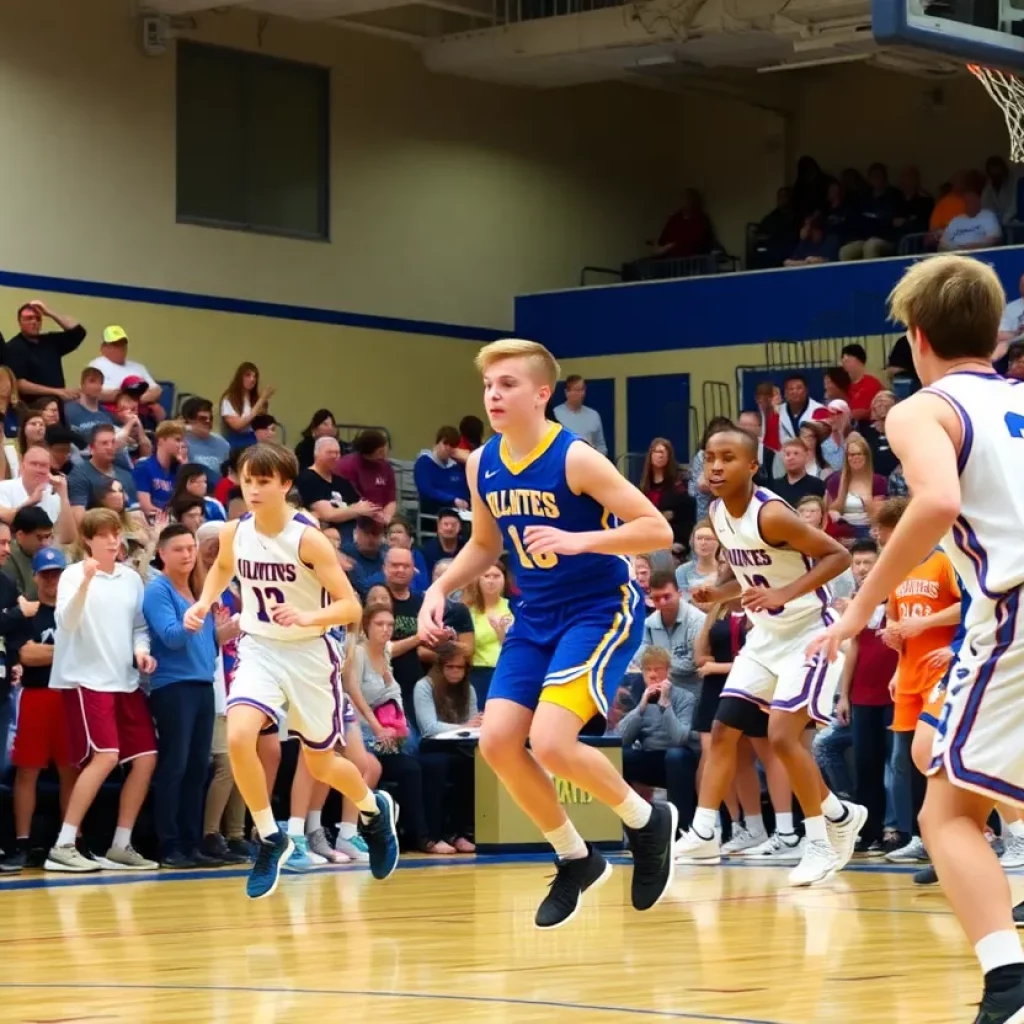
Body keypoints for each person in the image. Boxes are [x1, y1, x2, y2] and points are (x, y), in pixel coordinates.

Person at [807, 253, 1024, 1023]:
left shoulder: (920, 409)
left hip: (1014, 608)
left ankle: (1009, 989)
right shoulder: (1019, 401)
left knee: (946, 814)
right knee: (953, 768)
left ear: (918, 338)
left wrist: (861, 607)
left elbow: (933, 500)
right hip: (997, 617)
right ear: (996, 337)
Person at [419, 338, 675, 930]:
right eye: (488, 386)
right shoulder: (482, 461)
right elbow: (485, 544)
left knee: (554, 742)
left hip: (598, 607)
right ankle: (575, 857)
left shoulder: (576, 458)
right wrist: (438, 589)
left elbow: (656, 527)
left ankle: (644, 819)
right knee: (498, 743)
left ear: (542, 394)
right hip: (537, 612)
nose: (493, 395)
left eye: (507, 384)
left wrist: (581, 539)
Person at [183, 443, 399, 899]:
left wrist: (307, 618)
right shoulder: (235, 531)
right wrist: (203, 603)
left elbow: (351, 607)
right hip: (260, 646)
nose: (254, 489)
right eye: (248, 481)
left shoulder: (308, 539)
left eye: (264, 481)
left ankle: (372, 809)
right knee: (240, 736)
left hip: (309, 654)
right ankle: (270, 836)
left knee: (321, 763)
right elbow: (223, 568)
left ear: (285, 485)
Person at [672, 426, 865, 886]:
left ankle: (819, 839)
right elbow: (749, 577)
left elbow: (836, 556)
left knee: (782, 737)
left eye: (728, 458)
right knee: (722, 729)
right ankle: (703, 830)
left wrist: (783, 593)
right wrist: (716, 592)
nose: (716, 466)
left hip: (808, 633)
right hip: (765, 638)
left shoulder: (772, 514)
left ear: (753, 466)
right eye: (710, 457)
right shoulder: (718, 513)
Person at [46, 509, 160, 872]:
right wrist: (85, 585)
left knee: (145, 758)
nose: (114, 540)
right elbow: (65, 622)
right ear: (88, 541)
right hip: (85, 680)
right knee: (106, 755)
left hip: (125, 682)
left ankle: (121, 845)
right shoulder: (72, 575)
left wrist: (141, 652)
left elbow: (139, 627)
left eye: (117, 533)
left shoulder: (130, 579)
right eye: (106, 534)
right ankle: (63, 846)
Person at [143, 524, 221, 868]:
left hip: (202, 684)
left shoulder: (196, 589)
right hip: (173, 686)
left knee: (197, 767)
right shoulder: (157, 590)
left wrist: (222, 634)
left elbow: (206, 648)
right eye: (179, 549)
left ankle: (192, 842)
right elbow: (172, 638)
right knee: (175, 766)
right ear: (162, 554)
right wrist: (195, 619)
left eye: (191, 548)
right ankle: (170, 844)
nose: (188, 555)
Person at [0, 548, 75, 874]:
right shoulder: (27, 613)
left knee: (70, 771)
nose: (52, 581)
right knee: (27, 771)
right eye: (46, 574)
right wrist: (71, 651)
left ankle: (70, 841)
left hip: (70, 697)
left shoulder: (75, 612)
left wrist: (51, 653)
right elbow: (27, 656)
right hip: (35, 696)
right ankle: (22, 841)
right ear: (35, 577)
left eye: (57, 574)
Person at [462, 560, 513, 706]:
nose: (491, 581)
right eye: (486, 576)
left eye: (496, 576)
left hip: (507, 669)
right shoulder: (468, 611)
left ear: (504, 579)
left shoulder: (513, 607)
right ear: (478, 579)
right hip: (479, 673)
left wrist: (500, 632)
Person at [220, 362, 273, 449]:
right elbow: (238, 426)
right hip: (236, 442)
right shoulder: (229, 399)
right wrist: (261, 400)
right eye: (248, 375)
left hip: (255, 439)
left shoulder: (255, 398)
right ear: (240, 377)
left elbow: (262, 423)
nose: (252, 379)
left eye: (255, 376)